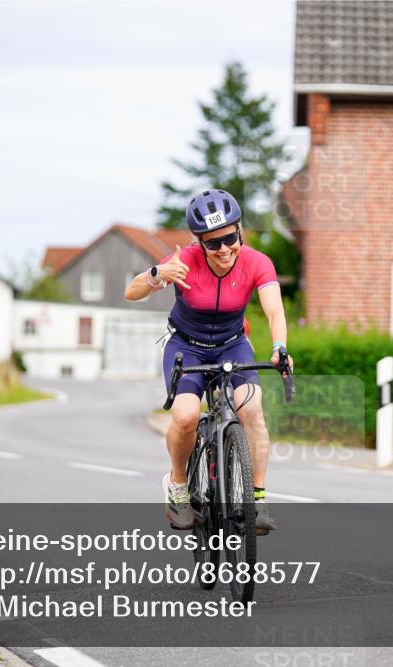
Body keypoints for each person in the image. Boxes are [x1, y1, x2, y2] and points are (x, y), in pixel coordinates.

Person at [124, 189, 293, 534]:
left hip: (233, 345)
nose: (224, 249)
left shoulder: (256, 262)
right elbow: (132, 291)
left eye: (230, 238)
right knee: (185, 416)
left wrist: (280, 347)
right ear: (199, 243)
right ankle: (178, 486)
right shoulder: (182, 261)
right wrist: (158, 274)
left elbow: (274, 308)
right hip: (187, 347)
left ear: (239, 231)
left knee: (252, 409)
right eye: (213, 243)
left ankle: (256, 499)